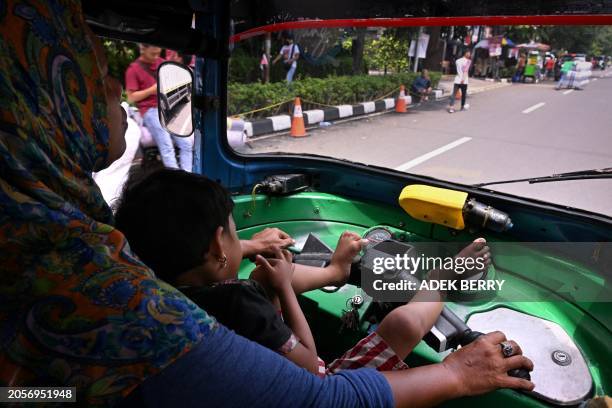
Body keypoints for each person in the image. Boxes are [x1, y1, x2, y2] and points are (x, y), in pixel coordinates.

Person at [0, 2, 535, 406]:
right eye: (96, 73)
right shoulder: (104, 289)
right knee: (401, 328)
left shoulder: (64, 247)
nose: (115, 93)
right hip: (321, 379)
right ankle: (452, 275)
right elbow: (318, 394)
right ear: (47, 93)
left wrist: (325, 272)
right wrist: (460, 374)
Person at [114, 169, 495, 378]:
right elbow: (311, 367)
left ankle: (335, 272)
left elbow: (246, 273)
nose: (238, 239)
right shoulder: (239, 302)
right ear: (216, 247)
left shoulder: (158, 290)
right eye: (233, 232)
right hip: (314, 388)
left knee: (263, 276)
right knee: (400, 327)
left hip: (242, 377)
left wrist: (254, 251)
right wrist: (285, 289)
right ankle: (444, 278)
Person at [125, 44, 194, 171]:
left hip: (169, 107)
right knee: (167, 146)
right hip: (150, 110)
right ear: (143, 49)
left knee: (186, 144)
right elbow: (131, 98)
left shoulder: (163, 63)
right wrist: (151, 91)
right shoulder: (133, 70)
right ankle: (175, 179)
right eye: (153, 54)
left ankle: (187, 176)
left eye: (158, 53)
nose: (156, 57)